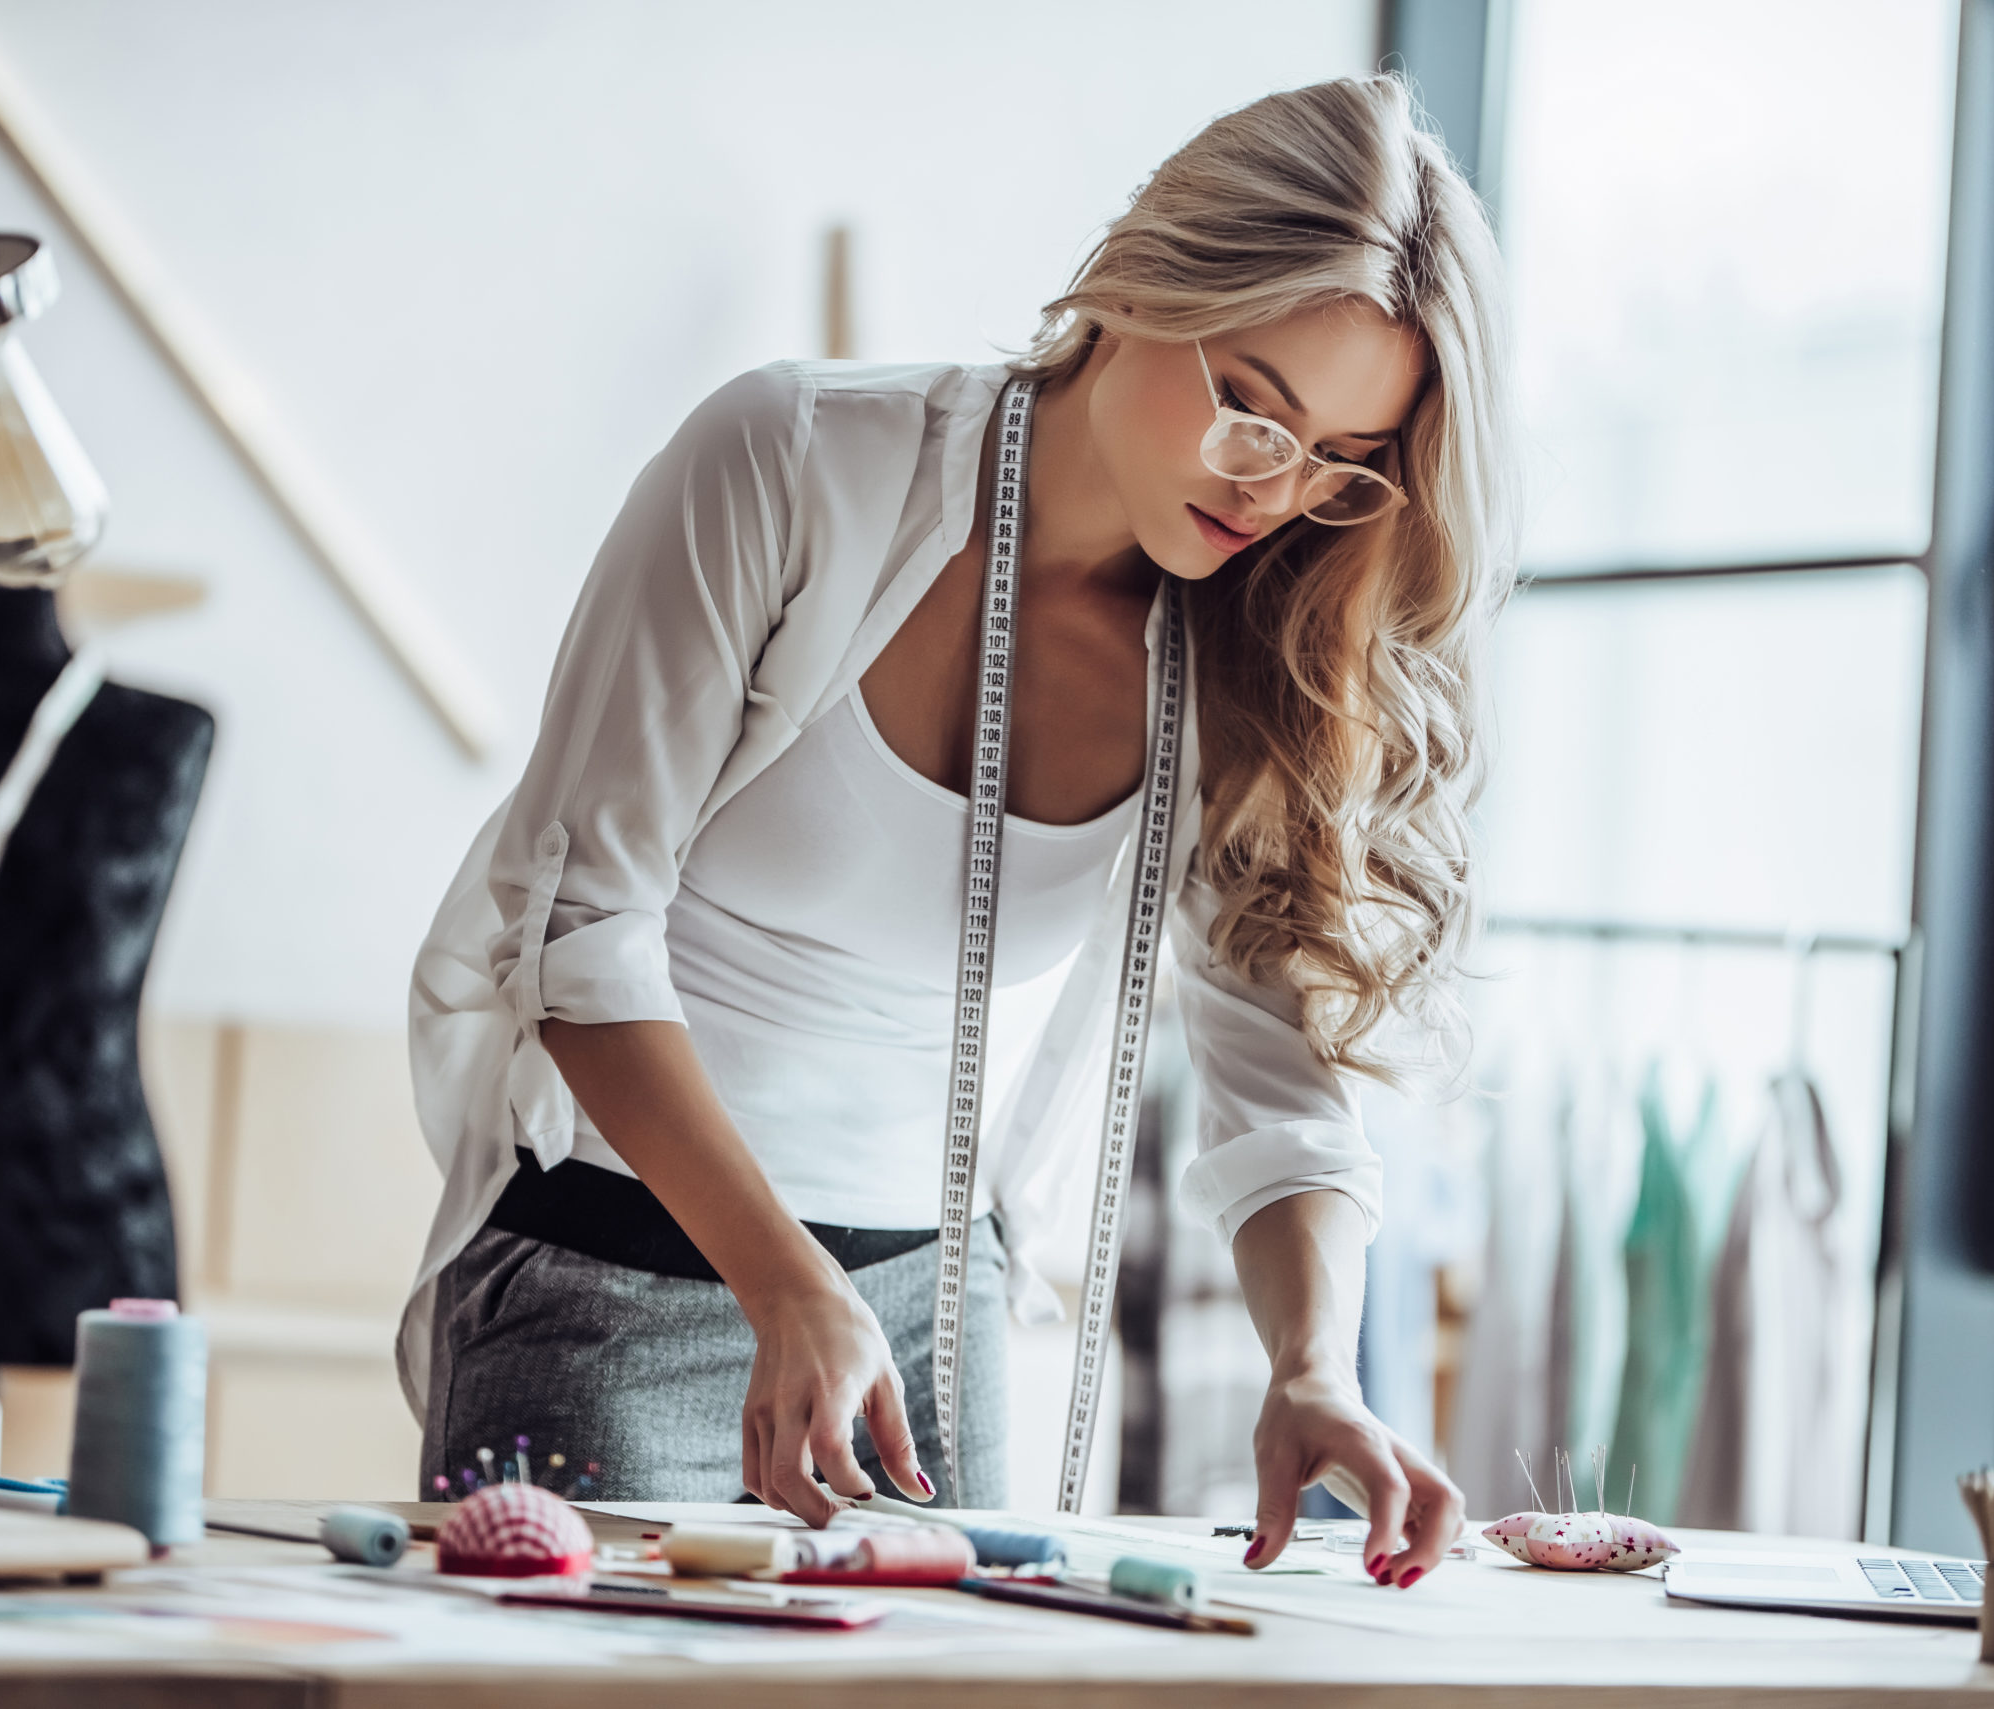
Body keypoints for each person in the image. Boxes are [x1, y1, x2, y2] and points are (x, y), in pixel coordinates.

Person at [400, 74, 1516, 1587]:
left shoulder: (1247, 643)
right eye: (1254, 403)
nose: (1278, 487)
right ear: (1142, 277)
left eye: (1341, 458)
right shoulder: (786, 461)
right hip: (613, 1280)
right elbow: (577, 934)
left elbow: (1277, 1078)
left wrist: (1315, 1361)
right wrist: (785, 1282)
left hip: (934, 1318)